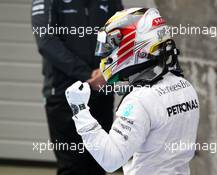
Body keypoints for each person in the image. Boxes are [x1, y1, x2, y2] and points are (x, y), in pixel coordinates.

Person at [65, 8, 200, 175]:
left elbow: (110, 160)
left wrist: (80, 110)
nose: (105, 54)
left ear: (134, 43)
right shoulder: (185, 86)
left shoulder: (139, 100)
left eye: (110, 45)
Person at [31, 0, 123, 175]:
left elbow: (122, 33)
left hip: (101, 90)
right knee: (72, 166)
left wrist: (107, 70)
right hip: (63, 94)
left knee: (99, 163)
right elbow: (46, 41)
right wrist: (87, 75)